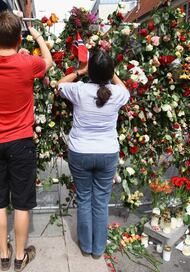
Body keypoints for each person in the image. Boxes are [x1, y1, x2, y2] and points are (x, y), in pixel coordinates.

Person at [0, 11, 52, 272]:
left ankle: (4, 254)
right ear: (20, 38)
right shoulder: (28, 63)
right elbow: (49, 62)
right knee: (21, 203)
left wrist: (4, 39)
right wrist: (38, 36)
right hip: (21, 141)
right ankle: (20, 257)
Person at [57, 49, 130, 259]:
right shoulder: (118, 94)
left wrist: (81, 71)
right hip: (107, 153)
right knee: (100, 201)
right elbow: (123, 88)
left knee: (84, 198)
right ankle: (98, 249)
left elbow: (59, 84)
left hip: (80, 152)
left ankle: (86, 246)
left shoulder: (79, 90)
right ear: (110, 72)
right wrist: (112, 74)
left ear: (91, 71)